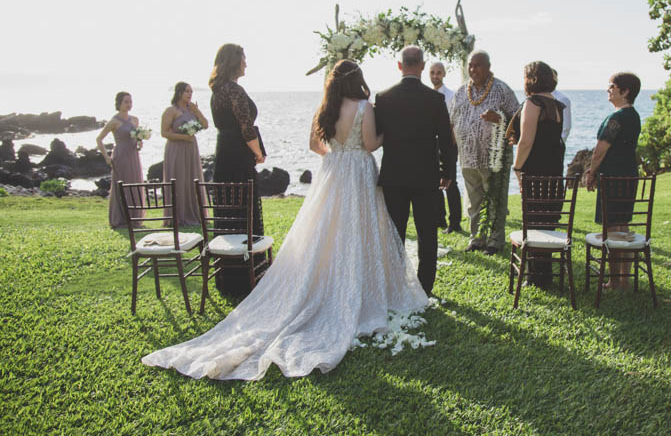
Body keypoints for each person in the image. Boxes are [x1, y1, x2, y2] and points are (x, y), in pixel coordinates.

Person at [142, 60, 428, 380]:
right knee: (361, 230)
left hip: (332, 173)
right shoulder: (365, 106)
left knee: (328, 232)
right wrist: (382, 136)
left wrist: (336, 155)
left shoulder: (325, 108)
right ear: (357, 80)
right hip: (359, 173)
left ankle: (324, 280)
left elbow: (312, 145)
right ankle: (360, 284)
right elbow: (373, 144)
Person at [375, 47, 453, 297]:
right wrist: (448, 170)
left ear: (399, 66)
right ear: (422, 66)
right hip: (426, 175)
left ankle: (394, 285)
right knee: (427, 233)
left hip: (394, 176)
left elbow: (377, 135)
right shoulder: (435, 99)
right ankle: (425, 287)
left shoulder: (384, 98)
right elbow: (446, 140)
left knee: (394, 232)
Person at [449, 50, 519, 255]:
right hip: (468, 156)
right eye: (470, 65)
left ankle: (495, 242)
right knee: (473, 200)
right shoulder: (461, 91)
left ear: (488, 67)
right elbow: (451, 119)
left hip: (493, 156)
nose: (473, 69)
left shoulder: (502, 90)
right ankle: (477, 239)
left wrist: (498, 118)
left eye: (477, 65)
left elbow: (517, 119)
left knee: (495, 198)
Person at [209, 44, 266, 295]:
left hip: (223, 154)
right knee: (244, 209)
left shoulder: (217, 91)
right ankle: (246, 277)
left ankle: (227, 276)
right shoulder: (234, 90)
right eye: (244, 59)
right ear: (234, 62)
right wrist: (257, 152)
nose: (246, 64)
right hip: (239, 155)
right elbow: (246, 128)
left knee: (228, 210)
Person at [585, 72, 642, 290]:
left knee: (611, 227)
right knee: (623, 227)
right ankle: (623, 279)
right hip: (628, 174)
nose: (608, 90)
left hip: (613, 178)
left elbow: (601, 149)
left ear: (625, 91)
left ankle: (613, 280)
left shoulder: (617, 118)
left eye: (612, 86)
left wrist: (591, 173)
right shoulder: (634, 116)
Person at [512, 61, 566, 286]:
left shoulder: (533, 104)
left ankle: (536, 276)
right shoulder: (557, 105)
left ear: (531, 79)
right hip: (554, 173)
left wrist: (517, 167)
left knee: (534, 222)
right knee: (547, 222)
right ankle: (542, 273)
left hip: (536, 172)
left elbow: (526, 141)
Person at [161, 82, 208, 226]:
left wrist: (196, 111)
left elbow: (205, 125)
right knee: (178, 178)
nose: (190, 94)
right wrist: (184, 137)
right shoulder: (171, 110)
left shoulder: (192, 109)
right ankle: (177, 215)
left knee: (192, 178)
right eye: (187, 91)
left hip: (191, 148)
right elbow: (164, 132)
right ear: (179, 92)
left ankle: (194, 213)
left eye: (191, 92)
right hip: (176, 148)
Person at [96, 92, 144, 228]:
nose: (129, 104)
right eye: (126, 102)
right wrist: (106, 157)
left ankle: (135, 217)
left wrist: (140, 142)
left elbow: (138, 136)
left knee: (135, 183)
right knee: (122, 185)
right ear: (119, 104)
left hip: (133, 155)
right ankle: (120, 218)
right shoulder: (114, 121)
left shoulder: (135, 119)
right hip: (121, 156)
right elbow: (99, 139)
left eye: (130, 101)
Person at [429, 61, 462, 233]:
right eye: (432, 72)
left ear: (444, 74)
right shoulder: (426, 94)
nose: (435, 76)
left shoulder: (451, 95)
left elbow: (455, 122)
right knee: (434, 182)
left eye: (438, 72)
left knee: (450, 182)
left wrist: (452, 145)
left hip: (448, 143)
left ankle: (455, 222)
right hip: (430, 144)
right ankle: (439, 219)